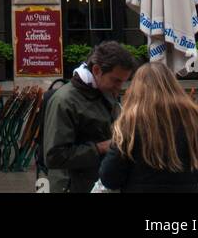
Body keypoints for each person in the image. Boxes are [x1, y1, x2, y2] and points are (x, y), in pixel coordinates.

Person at [98, 61, 198, 194]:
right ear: (174, 85)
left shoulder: (129, 124)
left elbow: (110, 178)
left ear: (136, 89)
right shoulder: (195, 119)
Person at [43, 41, 136, 193]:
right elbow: (54, 156)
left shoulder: (104, 92)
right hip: (72, 186)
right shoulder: (65, 101)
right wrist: (101, 147)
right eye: (116, 80)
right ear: (97, 70)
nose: (119, 87)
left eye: (123, 82)